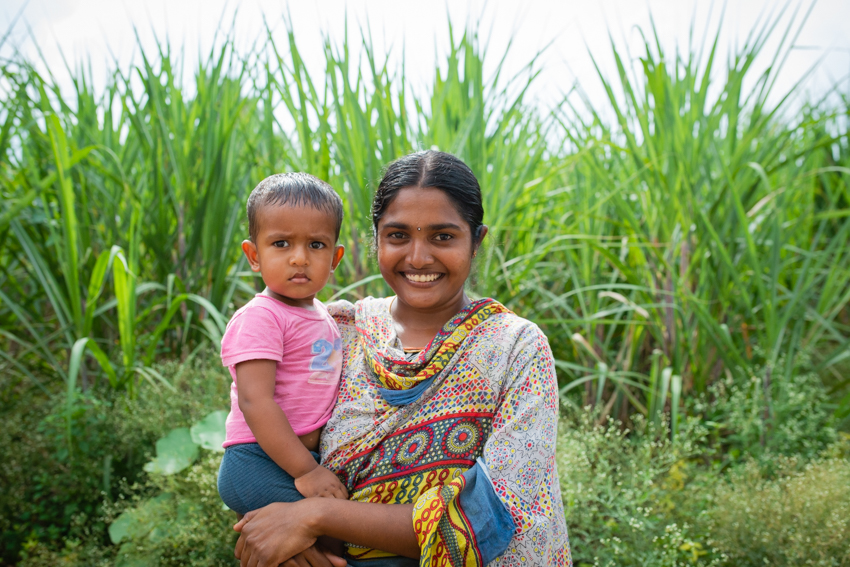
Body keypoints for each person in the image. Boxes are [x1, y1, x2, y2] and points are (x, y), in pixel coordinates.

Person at [233, 152, 572, 567]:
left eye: (442, 237)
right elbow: (257, 443)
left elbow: (496, 514)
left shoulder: (514, 349)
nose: (417, 258)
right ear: (375, 239)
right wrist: (289, 545)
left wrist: (316, 515)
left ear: (476, 240)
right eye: (397, 236)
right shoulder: (337, 331)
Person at [217, 173, 349, 519]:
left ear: (335, 258)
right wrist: (307, 471)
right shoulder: (262, 317)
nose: (299, 258)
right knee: (333, 529)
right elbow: (254, 400)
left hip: (298, 461)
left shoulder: (325, 316)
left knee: (334, 535)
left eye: (316, 245)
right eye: (281, 244)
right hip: (257, 460)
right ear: (253, 255)